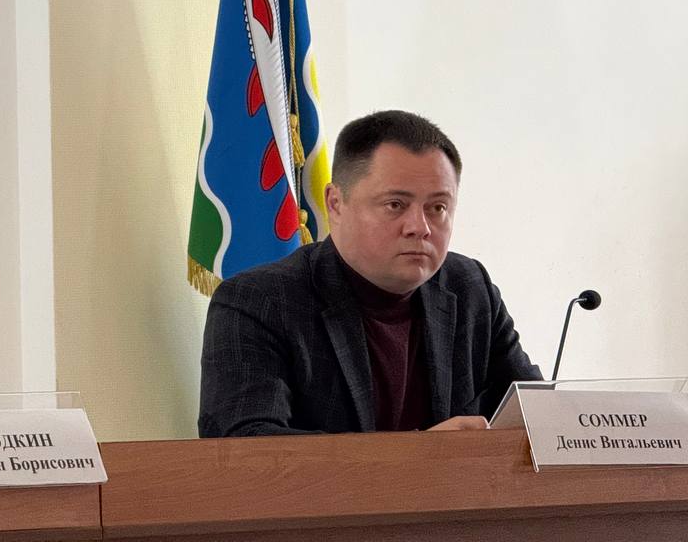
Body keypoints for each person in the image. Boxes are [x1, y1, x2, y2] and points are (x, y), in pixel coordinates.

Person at [198, 110, 541, 437]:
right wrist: (419, 456)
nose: (420, 227)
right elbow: (246, 446)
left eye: (437, 207)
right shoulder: (258, 302)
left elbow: (539, 416)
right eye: (395, 205)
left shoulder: (470, 288)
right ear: (335, 204)